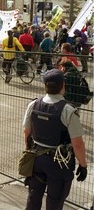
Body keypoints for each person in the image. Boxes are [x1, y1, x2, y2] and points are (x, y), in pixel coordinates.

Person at [22, 69, 87, 210]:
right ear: (63, 86)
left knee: (33, 198)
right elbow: (77, 144)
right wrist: (83, 165)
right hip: (60, 164)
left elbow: (26, 133)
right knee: (55, 202)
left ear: (45, 85)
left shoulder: (33, 105)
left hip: (37, 160)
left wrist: (29, 152)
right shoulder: (69, 111)